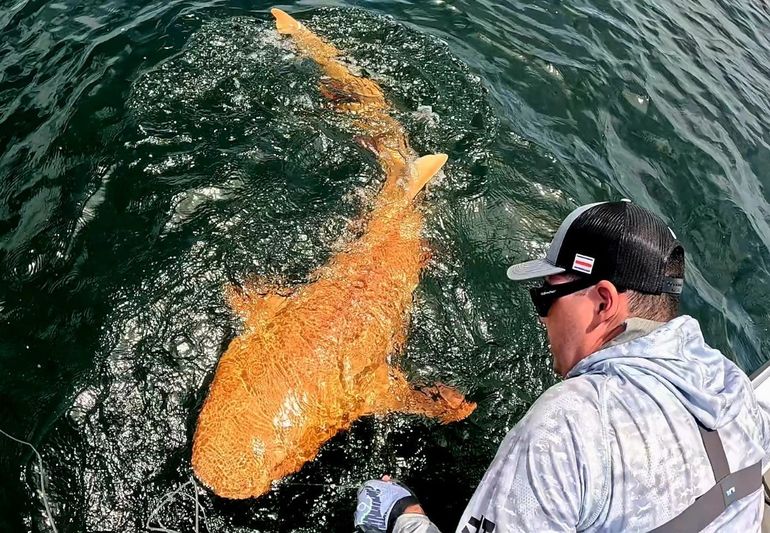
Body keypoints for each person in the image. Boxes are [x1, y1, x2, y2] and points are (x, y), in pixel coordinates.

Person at [353, 200, 770, 532]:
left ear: (604, 302)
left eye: (546, 297)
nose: (541, 316)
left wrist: (404, 518)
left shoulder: (569, 423)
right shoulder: (731, 386)